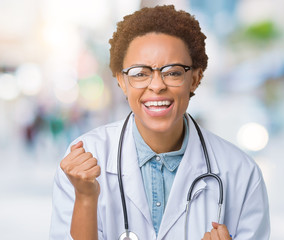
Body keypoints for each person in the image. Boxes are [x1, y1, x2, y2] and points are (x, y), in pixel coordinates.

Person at [50, 5, 270, 240]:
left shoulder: (241, 173)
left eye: (173, 72)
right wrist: (85, 198)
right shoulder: (83, 163)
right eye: (139, 73)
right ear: (122, 82)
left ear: (194, 79)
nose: (156, 85)